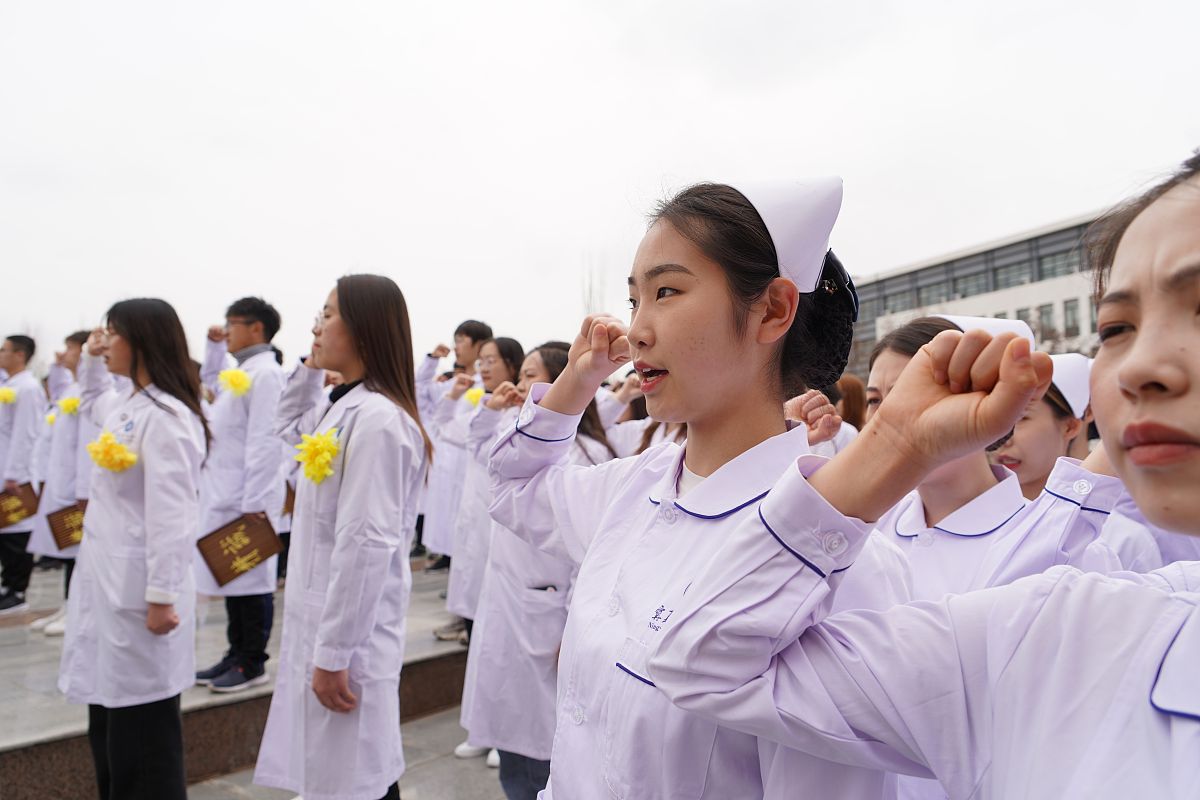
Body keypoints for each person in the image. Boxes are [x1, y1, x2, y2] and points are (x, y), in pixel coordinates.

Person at [647, 151, 1200, 799]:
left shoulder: (1084, 554)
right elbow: (701, 664)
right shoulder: (1063, 635)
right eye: (1116, 328)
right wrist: (895, 446)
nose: (1140, 367)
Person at [489, 179, 909, 797]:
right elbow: (513, 490)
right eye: (633, 300)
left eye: (666, 292)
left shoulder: (835, 561)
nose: (636, 330)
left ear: (773, 311)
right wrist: (576, 380)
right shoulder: (634, 489)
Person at [254, 274, 431, 800]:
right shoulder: (339, 406)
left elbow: (365, 544)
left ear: (364, 328)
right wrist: (310, 367)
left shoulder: (378, 421)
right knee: (339, 775)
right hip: (324, 618)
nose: (316, 325)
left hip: (351, 637)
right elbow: (285, 426)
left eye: (328, 314)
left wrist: (335, 653)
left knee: (357, 778)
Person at [59, 300, 209, 800]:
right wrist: (89, 356)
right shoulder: (128, 405)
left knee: (144, 743)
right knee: (110, 731)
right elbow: (91, 397)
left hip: (142, 598)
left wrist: (162, 595)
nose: (106, 344)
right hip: (109, 591)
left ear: (143, 341)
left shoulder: (167, 417)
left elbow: (173, 516)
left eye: (114, 334)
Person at [460, 342, 620, 797]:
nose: (522, 385)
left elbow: (596, 553)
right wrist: (493, 410)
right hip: (510, 606)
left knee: (540, 752)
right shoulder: (517, 441)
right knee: (512, 739)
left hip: (548, 617)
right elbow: (481, 452)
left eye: (531, 375)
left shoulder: (587, 455)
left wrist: (575, 621)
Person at [193, 296, 288, 692]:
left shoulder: (267, 374)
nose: (227, 330)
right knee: (232, 575)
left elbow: (265, 441)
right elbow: (211, 382)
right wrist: (214, 347)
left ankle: (252, 661)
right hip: (227, 492)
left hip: (249, 498)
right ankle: (234, 653)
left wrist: (255, 503)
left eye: (232, 324)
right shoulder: (243, 372)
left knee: (252, 582)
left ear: (256, 328)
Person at [445, 336, 525, 649]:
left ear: (512, 366)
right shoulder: (486, 407)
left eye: (492, 361)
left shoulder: (519, 416)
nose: (484, 368)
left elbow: (485, 450)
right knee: (471, 592)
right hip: (474, 517)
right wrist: (454, 396)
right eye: (482, 361)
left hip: (499, 525)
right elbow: (446, 428)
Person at [28, 330, 91, 634]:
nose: (64, 354)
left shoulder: (90, 392)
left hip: (77, 487)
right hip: (60, 482)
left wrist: (81, 488)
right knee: (67, 551)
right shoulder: (71, 389)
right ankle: (68, 605)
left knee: (78, 553)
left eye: (70, 348)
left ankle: (77, 609)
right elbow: (56, 388)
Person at [419, 319, 492, 574]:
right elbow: (419, 392)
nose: (456, 346)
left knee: (464, 515)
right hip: (445, 457)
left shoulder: (486, 384)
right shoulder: (453, 383)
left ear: (479, 345)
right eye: (456, 340)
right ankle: (447, 556)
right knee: (444, 510)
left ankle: (457, 562)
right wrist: (431, 361)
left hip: (467, 459)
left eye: (462, 340)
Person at [0, 334, 43, 614]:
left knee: (16, 531)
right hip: (4, 468)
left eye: (4, 350)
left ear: (19, 355)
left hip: (15, 475)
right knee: (4, 530)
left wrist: (14, 474)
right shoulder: (8, 385)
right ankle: (7, 585)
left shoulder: (27, 388)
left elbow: (25, 434)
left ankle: (17, 590)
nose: (0, 354)